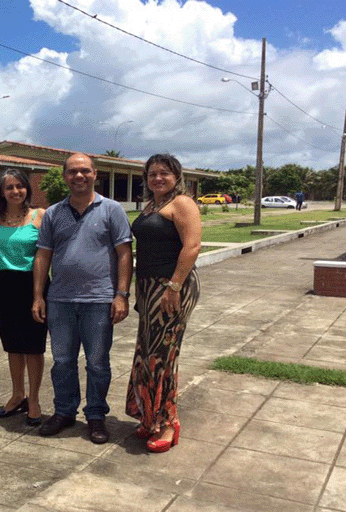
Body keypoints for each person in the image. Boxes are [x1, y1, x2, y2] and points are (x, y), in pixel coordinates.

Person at [32, 153, 133, 444]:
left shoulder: (112, 210)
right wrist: (39, 296)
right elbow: (43, 255)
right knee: (62, 361)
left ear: (94, 174)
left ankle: (96, 416)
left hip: (99, 300)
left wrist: (121, 295)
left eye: (85, 171)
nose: (79, 176)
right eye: (73, 171)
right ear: (65, 176)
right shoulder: (53, 213)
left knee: (98, 362)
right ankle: (64, 411)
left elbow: (124, 254)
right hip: (60, 300)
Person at [125, 154, 201, 453]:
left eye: (164, 173)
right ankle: (149, 416)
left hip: (171, 286)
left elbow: (192, 246)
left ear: (176, 176)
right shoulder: (151, 206)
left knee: (164, 355)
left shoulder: (182, 203)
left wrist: (174, 286)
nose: (158, 178)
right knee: (147, 352)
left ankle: (168, 423)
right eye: (152, 174)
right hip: (148, 286)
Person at [0, 169, 47, 426]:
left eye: (19, 186)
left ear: (27, 189)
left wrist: (38, 295)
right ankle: (17, 394)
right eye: (9, 187)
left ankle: (34, 399)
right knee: (12, 345)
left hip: (32, 284)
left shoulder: (40, 216)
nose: (15, 191)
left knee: (33, 347)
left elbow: (45, 256)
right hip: (2, 284)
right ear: (2, 192)